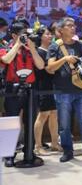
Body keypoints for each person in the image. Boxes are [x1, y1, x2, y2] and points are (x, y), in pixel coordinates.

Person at [47, 17, 82, 164]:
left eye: (74, 25)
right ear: (60, 30)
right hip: (63, 91)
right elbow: (50, 67)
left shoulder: (80, 45)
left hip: (81, 89)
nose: (73, 28)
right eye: (69, 26)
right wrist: (65, 59)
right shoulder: (55, 46)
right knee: (64, 125)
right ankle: (67, 151)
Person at [1, 21, 45, 167]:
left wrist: (32, 48)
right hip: (12, 90)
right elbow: (6, 60)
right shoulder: (6, 48)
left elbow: (41, 65)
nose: (25, 37)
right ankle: (9, 155)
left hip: (30, 90)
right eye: (22, 35)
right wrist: (17, 45)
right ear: (14, 35)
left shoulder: (29, 50)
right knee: (11, 122)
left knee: (30, 121)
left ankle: (29, 151)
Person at [33, 27, 61, 155]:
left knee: (54, 114)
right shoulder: (39, 52)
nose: (50, 36)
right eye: (47, 34)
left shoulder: (52, 51)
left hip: (53, 86)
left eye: (51, 34)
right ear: (40, 37)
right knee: (43, 115)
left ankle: (54, 143)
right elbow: (49, 70)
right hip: (42, 86)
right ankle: (38, 146)